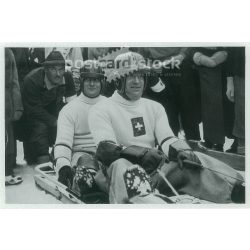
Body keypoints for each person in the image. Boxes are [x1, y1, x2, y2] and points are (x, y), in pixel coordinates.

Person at [88, 51, 244, 204]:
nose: (137, 81)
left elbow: (167, 138)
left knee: (192, 158)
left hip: (153, 172)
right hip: (117, 176)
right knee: (121, 165)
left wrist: (181, 150)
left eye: (141, 76)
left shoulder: (154, 107)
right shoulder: (101, 109)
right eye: (131, 76)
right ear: (118, 80)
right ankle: (142, 202)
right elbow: (106, 150)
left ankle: (235, 190)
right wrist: (141, 155)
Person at [54, 60, 106, 190]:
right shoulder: (69, 109)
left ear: (102, 82)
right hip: (81, 155)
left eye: (96, 80)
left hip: (107, 155)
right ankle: (86, 185)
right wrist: (63, 165)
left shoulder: (110, 105)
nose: (92, 83)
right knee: (86, 163)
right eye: (88, 79)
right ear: (82, 82)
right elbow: (63, 142)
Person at [22, 51, 76, 164]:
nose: (58, 74)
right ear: (45, 69)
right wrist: (56, 122)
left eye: (61, 69)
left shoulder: (67, 77)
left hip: (54, 110)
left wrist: (68, 121)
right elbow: (33, 110)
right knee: (39, 128)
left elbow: (73, 105)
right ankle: (42, 160)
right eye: (53, 69)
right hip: (31, 117)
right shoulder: (31, 80)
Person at [5, 48, 24, 185]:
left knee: (7, 136)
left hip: (5, 100)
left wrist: (17, 106)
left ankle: (6, 171)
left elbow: (14, 81)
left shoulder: (7, 53)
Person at [226, 47, 245, 155]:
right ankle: (242, 148)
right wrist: (229, 80)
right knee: (242, 112)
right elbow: (231, 52)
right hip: (241, 74)